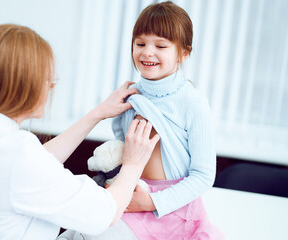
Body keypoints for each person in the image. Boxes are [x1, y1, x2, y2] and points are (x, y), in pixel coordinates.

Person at [0, 24, 160, 240]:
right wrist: (133, 164)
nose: (51, 86)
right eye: (48, 80)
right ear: (24, 84)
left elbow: (35, 164)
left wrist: (97, 114)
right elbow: (105, 212)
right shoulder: (16, 154)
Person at [59, 1, 224, 239]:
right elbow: (124, 152)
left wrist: (151, 202)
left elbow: (203, 176)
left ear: (184, 53)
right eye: (140, 43)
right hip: (131, 194)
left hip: (169, 211)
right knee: (71, 233)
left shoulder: (193, 103)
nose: (147, 52)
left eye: (160, 45)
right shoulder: (130, 97)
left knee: (96, 235)